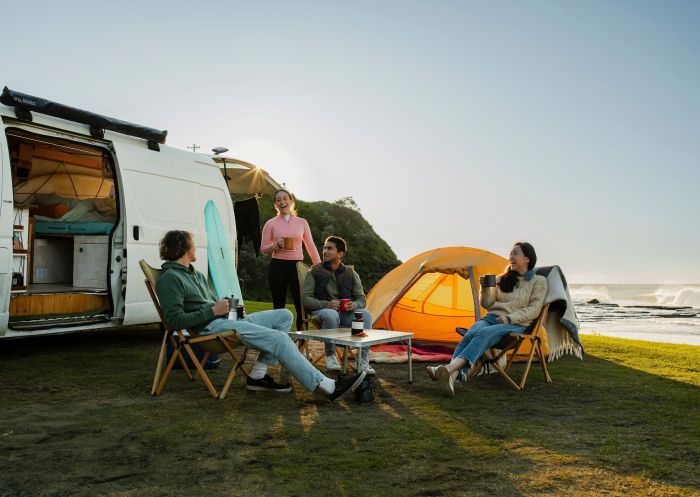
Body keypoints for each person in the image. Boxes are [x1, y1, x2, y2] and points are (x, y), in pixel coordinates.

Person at [155, 230, 365, 403]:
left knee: (283, 316)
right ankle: (327, 386)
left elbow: (208, 304)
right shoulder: (170, 278)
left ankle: (257, 375)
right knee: (280, 338)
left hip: (225, 320)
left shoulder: (195, 274)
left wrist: (226, 309)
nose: (195, 247)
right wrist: (211, 311)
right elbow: (174, 321)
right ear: (183, 247)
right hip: (210, 329)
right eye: (192, 243)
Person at [428, 242, 548, 395]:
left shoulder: (539, 281)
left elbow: (534, 309)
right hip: (491, 317)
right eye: (510, 253)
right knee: (472, 332)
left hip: (516, 324)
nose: (511, 256)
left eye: (515, 253)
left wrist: (509, 318)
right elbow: (487, 304)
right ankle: (451, 377)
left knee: (484, 333)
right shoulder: (501, 279)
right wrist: (485, 288)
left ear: (527, 258)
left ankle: (448, 369)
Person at [302, 236, 374, 374]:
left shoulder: (351, 273)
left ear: (340, 254)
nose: (325, 251)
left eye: (330, 248)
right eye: (324, 247)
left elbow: (361, 300)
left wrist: (354, 305)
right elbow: (306, 299)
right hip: (321, 311)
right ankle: (331, 355)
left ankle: (362, 358)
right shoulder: (314, 271)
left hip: (345, 313)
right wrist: (326, 304)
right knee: (331, 313)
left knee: (366, 314)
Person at [261, 189, 321, 331]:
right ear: (275, 204)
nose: (282, 202)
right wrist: (276, 245)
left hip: (297, 266)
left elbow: (310, 246)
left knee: (301, 305)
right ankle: (279, 337)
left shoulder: (302, 222)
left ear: (291, 200)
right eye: (278, 200)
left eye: (285, 198)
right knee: (278, 306)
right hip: (277, 266)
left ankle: (301, 341)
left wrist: (319, 266)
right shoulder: (270, 223)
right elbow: (264, 248)